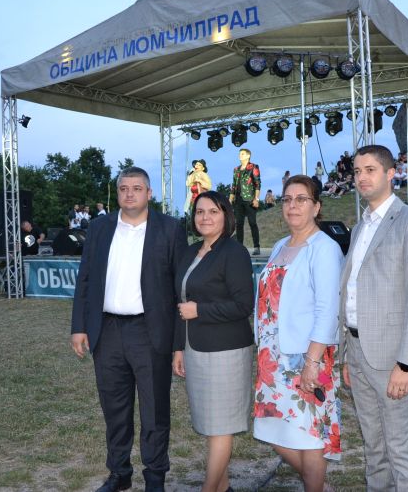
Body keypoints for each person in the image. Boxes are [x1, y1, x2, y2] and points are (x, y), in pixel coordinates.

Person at [70, 166, 187, 492]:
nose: (129, 194)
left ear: (149, 193)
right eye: (124, 188)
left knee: (154, 410)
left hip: (150, 331)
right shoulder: (99, 228)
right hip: (106, 331)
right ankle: (119, 473)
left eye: (137, 188)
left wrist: (178, 343)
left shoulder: (170, 229)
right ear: (118, 192)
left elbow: (181, 289)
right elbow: (85, 279)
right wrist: (79, 326)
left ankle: (155, 477)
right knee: (115, 409)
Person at [339, 145, 408, 490]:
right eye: (357, 171)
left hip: (393, 357)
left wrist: (407, 364)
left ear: (391, 173)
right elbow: (351, 291)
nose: (361, 177)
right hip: (358, 352)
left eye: (370, 170)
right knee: (374, 447)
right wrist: (346, 355)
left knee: (401, 449)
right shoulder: (359, 228)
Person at [254, 175, 344, 492]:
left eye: (301, 199)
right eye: (287, 199)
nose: (292, 205)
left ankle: (314, 486)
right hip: (273, 354)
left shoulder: (324, 248)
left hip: (306, 355)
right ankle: (316, 483)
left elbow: (328, 310)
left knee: (309, 434)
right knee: (271, 427)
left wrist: (312, 362)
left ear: (316, 207)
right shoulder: (281, 245)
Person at [172, 191, 254, 492]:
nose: (205, 217)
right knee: (211, 424)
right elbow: (180, 303)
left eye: (213, 211)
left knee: (221, 428)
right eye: (200, 211)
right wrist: (178, 348)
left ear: (226, 216)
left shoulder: (234, 253)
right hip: (195, 349)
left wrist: (200, 311)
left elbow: (243, 305)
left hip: (226, 352)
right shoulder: (191, 252)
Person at [229, 149, 261, 255]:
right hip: (238, 200)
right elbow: (234, 185)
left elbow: (257, 184)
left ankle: (256, 247)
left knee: (252, 223)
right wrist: (230, 199)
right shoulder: (236, 169)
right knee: (239, 224)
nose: (240, 155)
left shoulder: (253, 167)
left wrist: (256, 199)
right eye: (240, 153)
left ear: (248, 156)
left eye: (242, 154)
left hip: (250, 199)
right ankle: (239, 247)